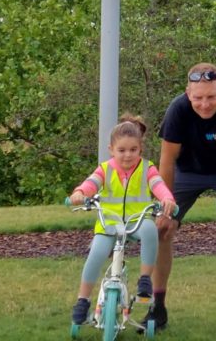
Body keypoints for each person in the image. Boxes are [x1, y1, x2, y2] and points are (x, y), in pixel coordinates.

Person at [142, 63, 216, 332]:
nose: (205, 104)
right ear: (188, 93)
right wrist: (166, 208)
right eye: (198, 98)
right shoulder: (177, 110)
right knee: (162, 230)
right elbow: (166, 162)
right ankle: (158, 306)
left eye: (211, 97)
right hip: (186, 172)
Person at [68, 115, 177, 327]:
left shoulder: (147, 168)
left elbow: (159, 186)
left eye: (133, 150)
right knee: (96, 254)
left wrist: (166, 199)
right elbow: (91, 183)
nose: (128, 155)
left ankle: (145, 279)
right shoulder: (105, 169)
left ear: (140, 150)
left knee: (150, 231)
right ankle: (82, 301)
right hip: (109, 223)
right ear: (111, 150)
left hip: (137, 221)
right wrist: (80, 192)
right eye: (122, 150)